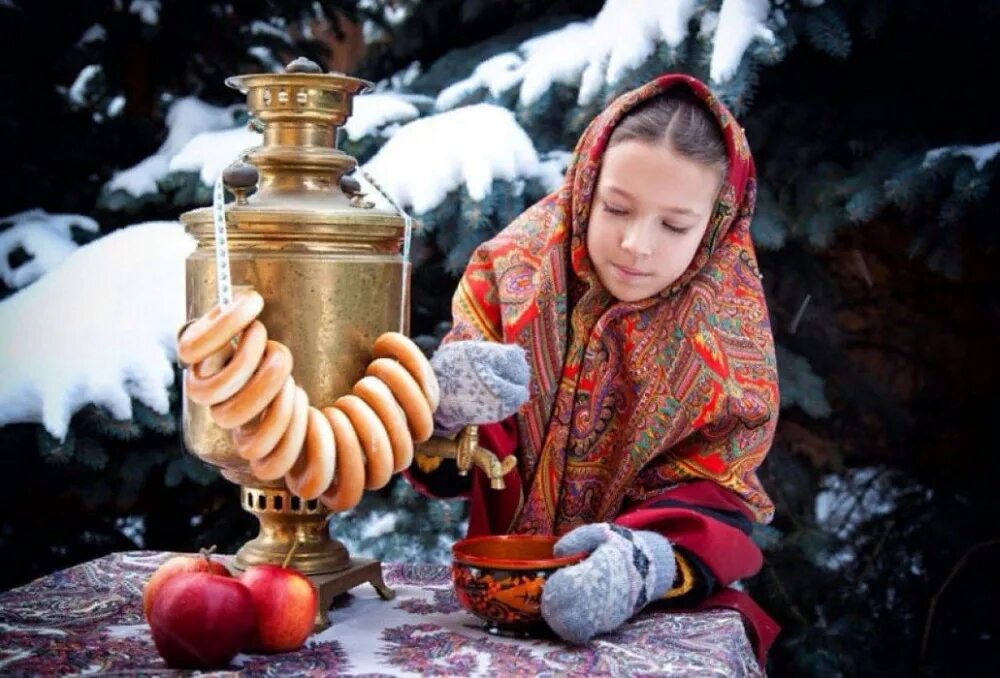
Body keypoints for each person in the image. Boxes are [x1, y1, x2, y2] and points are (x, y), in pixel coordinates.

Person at [407, 73, 780, 665]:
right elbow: (455, 462)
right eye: (616, 208)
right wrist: (444, 405)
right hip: (502, 595)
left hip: (653, 619)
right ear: (586, 184)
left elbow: (719, 495)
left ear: (716, 224)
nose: (637, 244)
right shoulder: (511, 271)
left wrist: (642, 564)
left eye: (674, 225)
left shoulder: (726, 328)